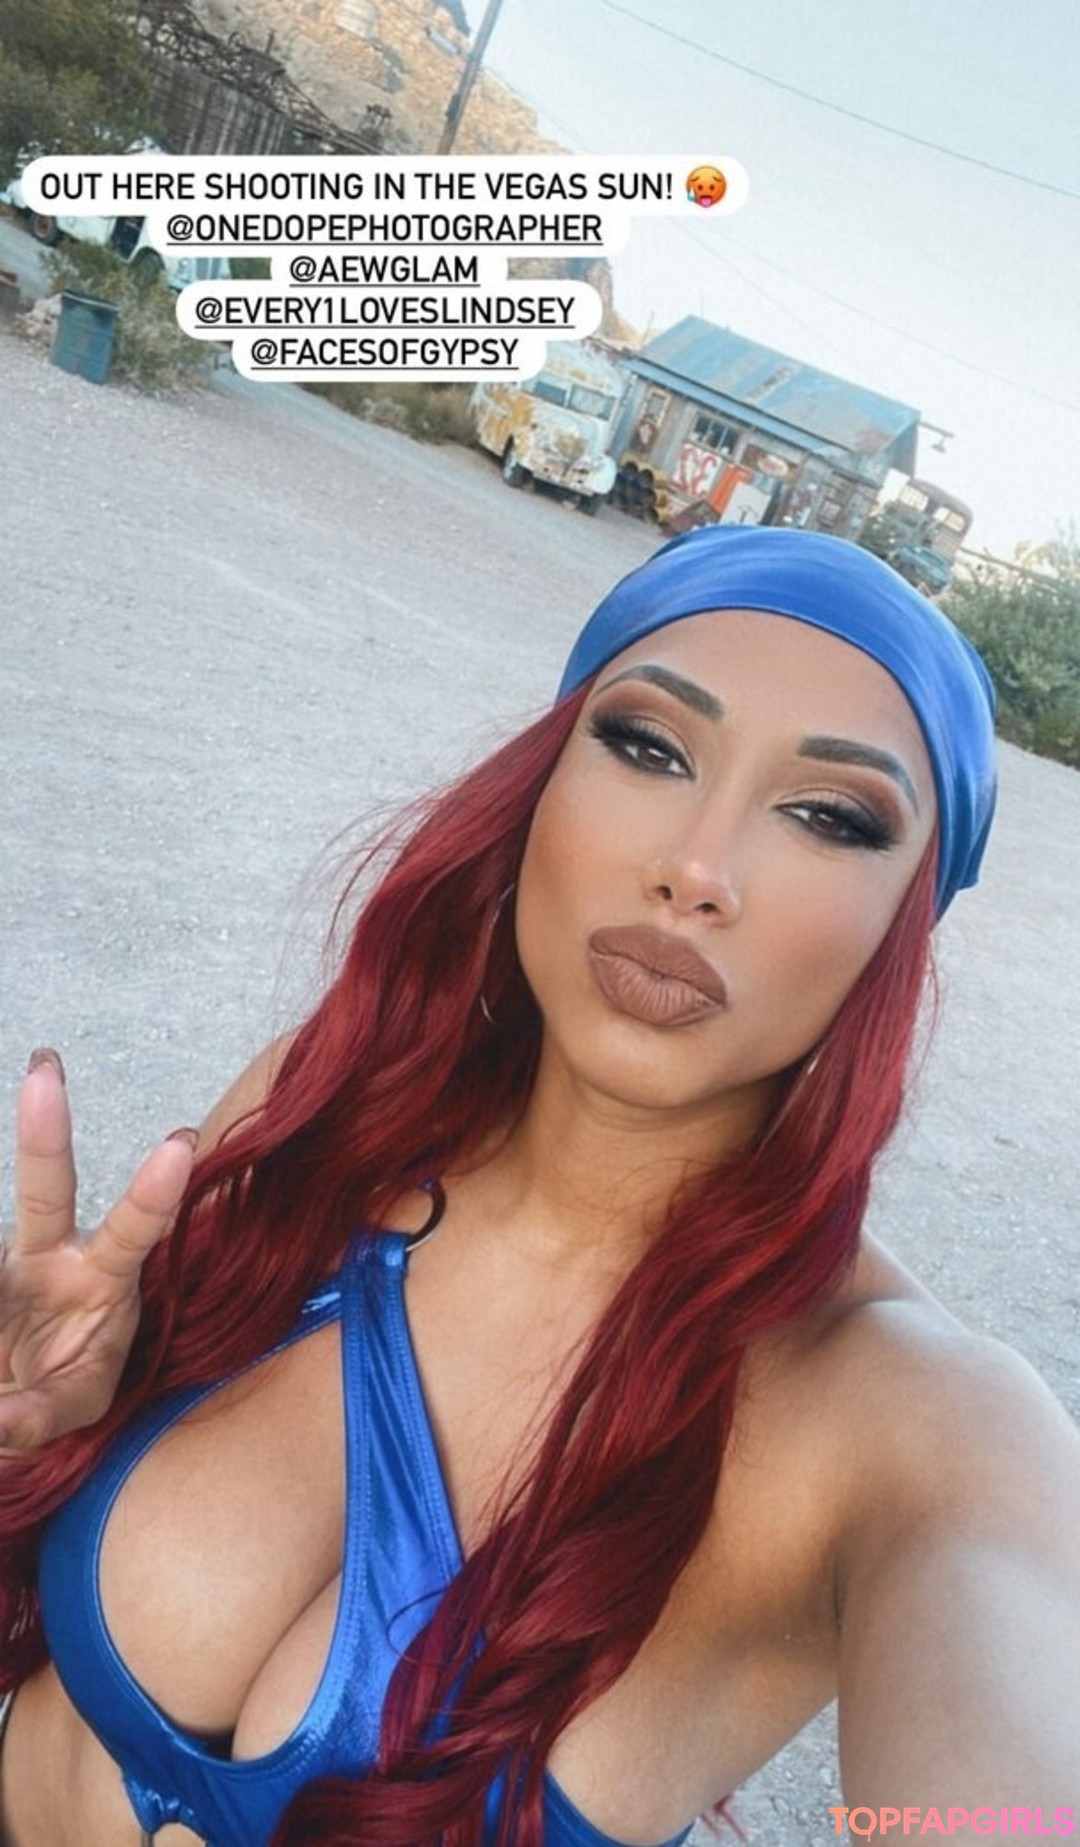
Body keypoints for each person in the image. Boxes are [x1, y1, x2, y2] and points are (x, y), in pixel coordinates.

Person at [1, 527, 1078, 1847]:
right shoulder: (328, 1115)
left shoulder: (917, 1423)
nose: (698, 869)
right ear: (542, 781)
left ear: (903, 926)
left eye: (831, 817)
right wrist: (44, 1429)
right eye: (648, 745)